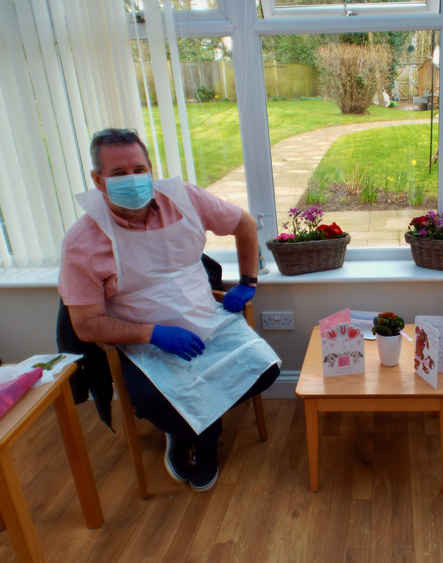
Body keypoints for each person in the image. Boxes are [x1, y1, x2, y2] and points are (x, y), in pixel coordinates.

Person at [59, 128, 281, 492]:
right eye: (118, 174)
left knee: (267, 370)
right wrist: (153, 333)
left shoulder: (185, 199)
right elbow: (85, 325)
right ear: (98, 181)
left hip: (208, 320)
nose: (132, 179)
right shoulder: (82, 242)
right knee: (153, 401)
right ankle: (200, 437)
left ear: (150, 168)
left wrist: (247, 281)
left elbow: (244, 224)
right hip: (144, 340)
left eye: (138, 168)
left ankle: (197, 424)